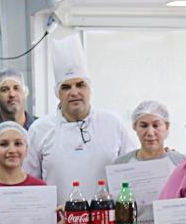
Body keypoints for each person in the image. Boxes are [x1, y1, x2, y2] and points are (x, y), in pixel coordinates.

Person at [24, 36, 135, 206]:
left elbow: (132, 170)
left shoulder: (112, 123)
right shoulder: (40, 129)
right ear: (58, 93)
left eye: (80, 85)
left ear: (90, 89)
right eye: (66, 87)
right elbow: (29, 182)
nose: (74, 92)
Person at [114, 100, 186, 166]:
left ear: (167, 126)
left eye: (156, 125)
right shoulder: (121, 165)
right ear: (135, 127)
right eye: (143, 126)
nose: (150, 133)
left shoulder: (184, 164)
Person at [0, 68, 35, 143]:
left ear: (24, 92)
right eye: (4, 89)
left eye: (16, 88)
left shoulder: (40, 128)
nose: (12, 94)